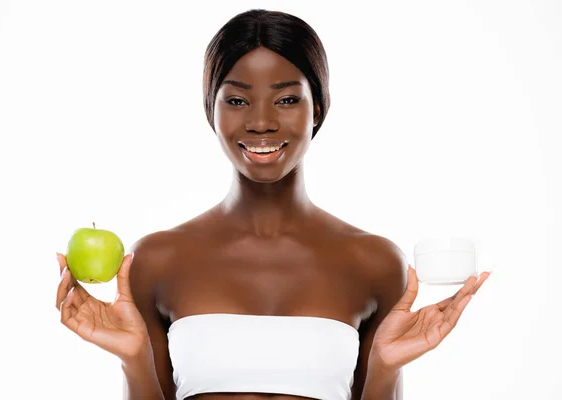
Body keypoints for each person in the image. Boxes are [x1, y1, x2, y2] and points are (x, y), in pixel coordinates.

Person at [55, 9, 490, 400]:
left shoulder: (374, 262)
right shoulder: (156, 259)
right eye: (237, 100)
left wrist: (385, 368)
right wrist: (133, 359)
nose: (261, 122)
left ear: (317, 108)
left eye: (286, 99)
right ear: (212, 110)